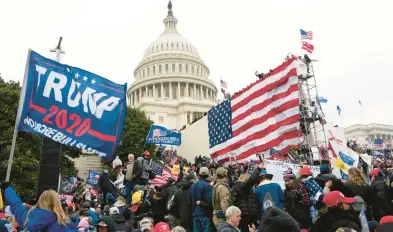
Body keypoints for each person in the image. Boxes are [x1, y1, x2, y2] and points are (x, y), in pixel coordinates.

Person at [1, 182, 78, 231]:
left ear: (40, 200)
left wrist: (7, 188)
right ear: (57, 203)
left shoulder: (27, 216)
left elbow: (16, 204)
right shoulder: (63, 224)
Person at [232, 164, 262, 232]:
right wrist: (259, 169)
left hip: (247, 215)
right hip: (247, 217)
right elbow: (251, 181)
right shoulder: (241, 186)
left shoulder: (239, 187)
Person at [189, 167, 213, 232]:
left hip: (195, 214)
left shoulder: (192, 186)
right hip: (205, 214)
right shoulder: (208, 186)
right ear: (207, 175)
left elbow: (190, 201)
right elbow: (209, 202)